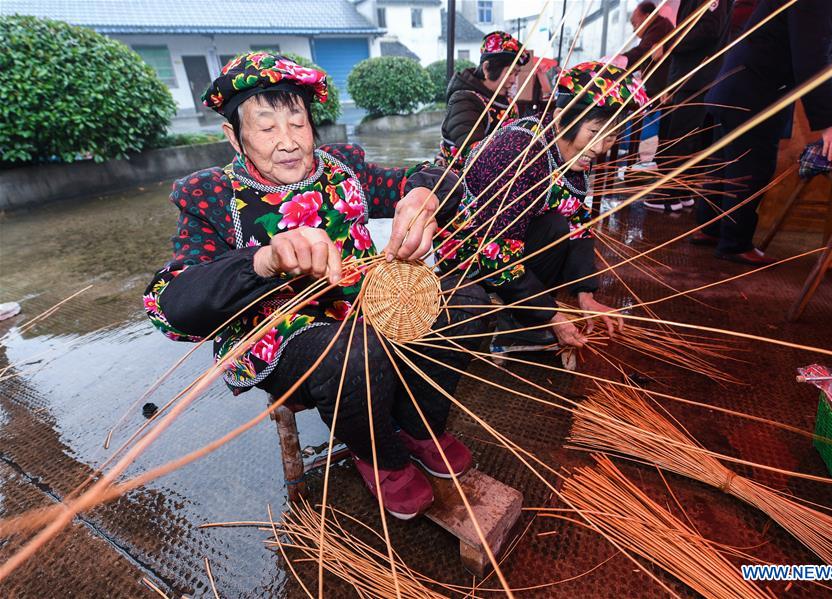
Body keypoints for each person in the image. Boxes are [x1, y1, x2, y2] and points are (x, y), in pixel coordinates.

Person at [143, 52, 489, 520]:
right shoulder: (213, 196)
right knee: (352, 353)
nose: (287, 142)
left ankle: (419, 426)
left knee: (467, 303)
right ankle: (379, 455)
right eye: (266, 128)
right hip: (282, 332)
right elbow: (174, 301)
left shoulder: (342, 168)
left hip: (364, 304)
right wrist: (261, 260)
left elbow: (427, 175)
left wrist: (422, 197)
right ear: (234, 136)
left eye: (297, 123)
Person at [435, 62, 647, 354]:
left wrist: (586, 295)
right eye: (595, 132)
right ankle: (518, 324)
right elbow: (496, 253)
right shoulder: (520, 152)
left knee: (559, 226)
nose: (600, 148)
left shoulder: (573, 152)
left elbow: (577, 224)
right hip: (467, 250)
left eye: (610, 138)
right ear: (562, 117)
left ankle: (522, 318)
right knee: (548, 230)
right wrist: (553, 315)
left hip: (508, 241)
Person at [696, 0, 832, 265]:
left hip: (737, 85)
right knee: (751, 168)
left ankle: (710, 229)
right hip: (754, 92)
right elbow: (811, 58)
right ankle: (735, 243)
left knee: (726, 163)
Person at [653, 0, 729, 213]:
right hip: (692, 77)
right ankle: (682, 192)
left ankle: (668, 194)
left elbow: (709, 29)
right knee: (690, 138)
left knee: (679, 138)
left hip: (696, 78)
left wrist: (669, 43)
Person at [438, 31, 530, 168]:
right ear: (487, 69)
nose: (513, 80)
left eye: (516, 73)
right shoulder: (464, 101)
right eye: (509, 72)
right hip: (461, 179)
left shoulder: (507, 101)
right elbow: (473, 151)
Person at [620, 1, 675, 171]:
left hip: (665, 89)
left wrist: (620, 61)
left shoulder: (658, 27)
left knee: (666, 132)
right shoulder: (658, 27)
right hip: (660, 89)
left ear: (646, 16)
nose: (633, 30)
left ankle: (659, 171)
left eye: (634, 23)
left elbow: (642, 53)